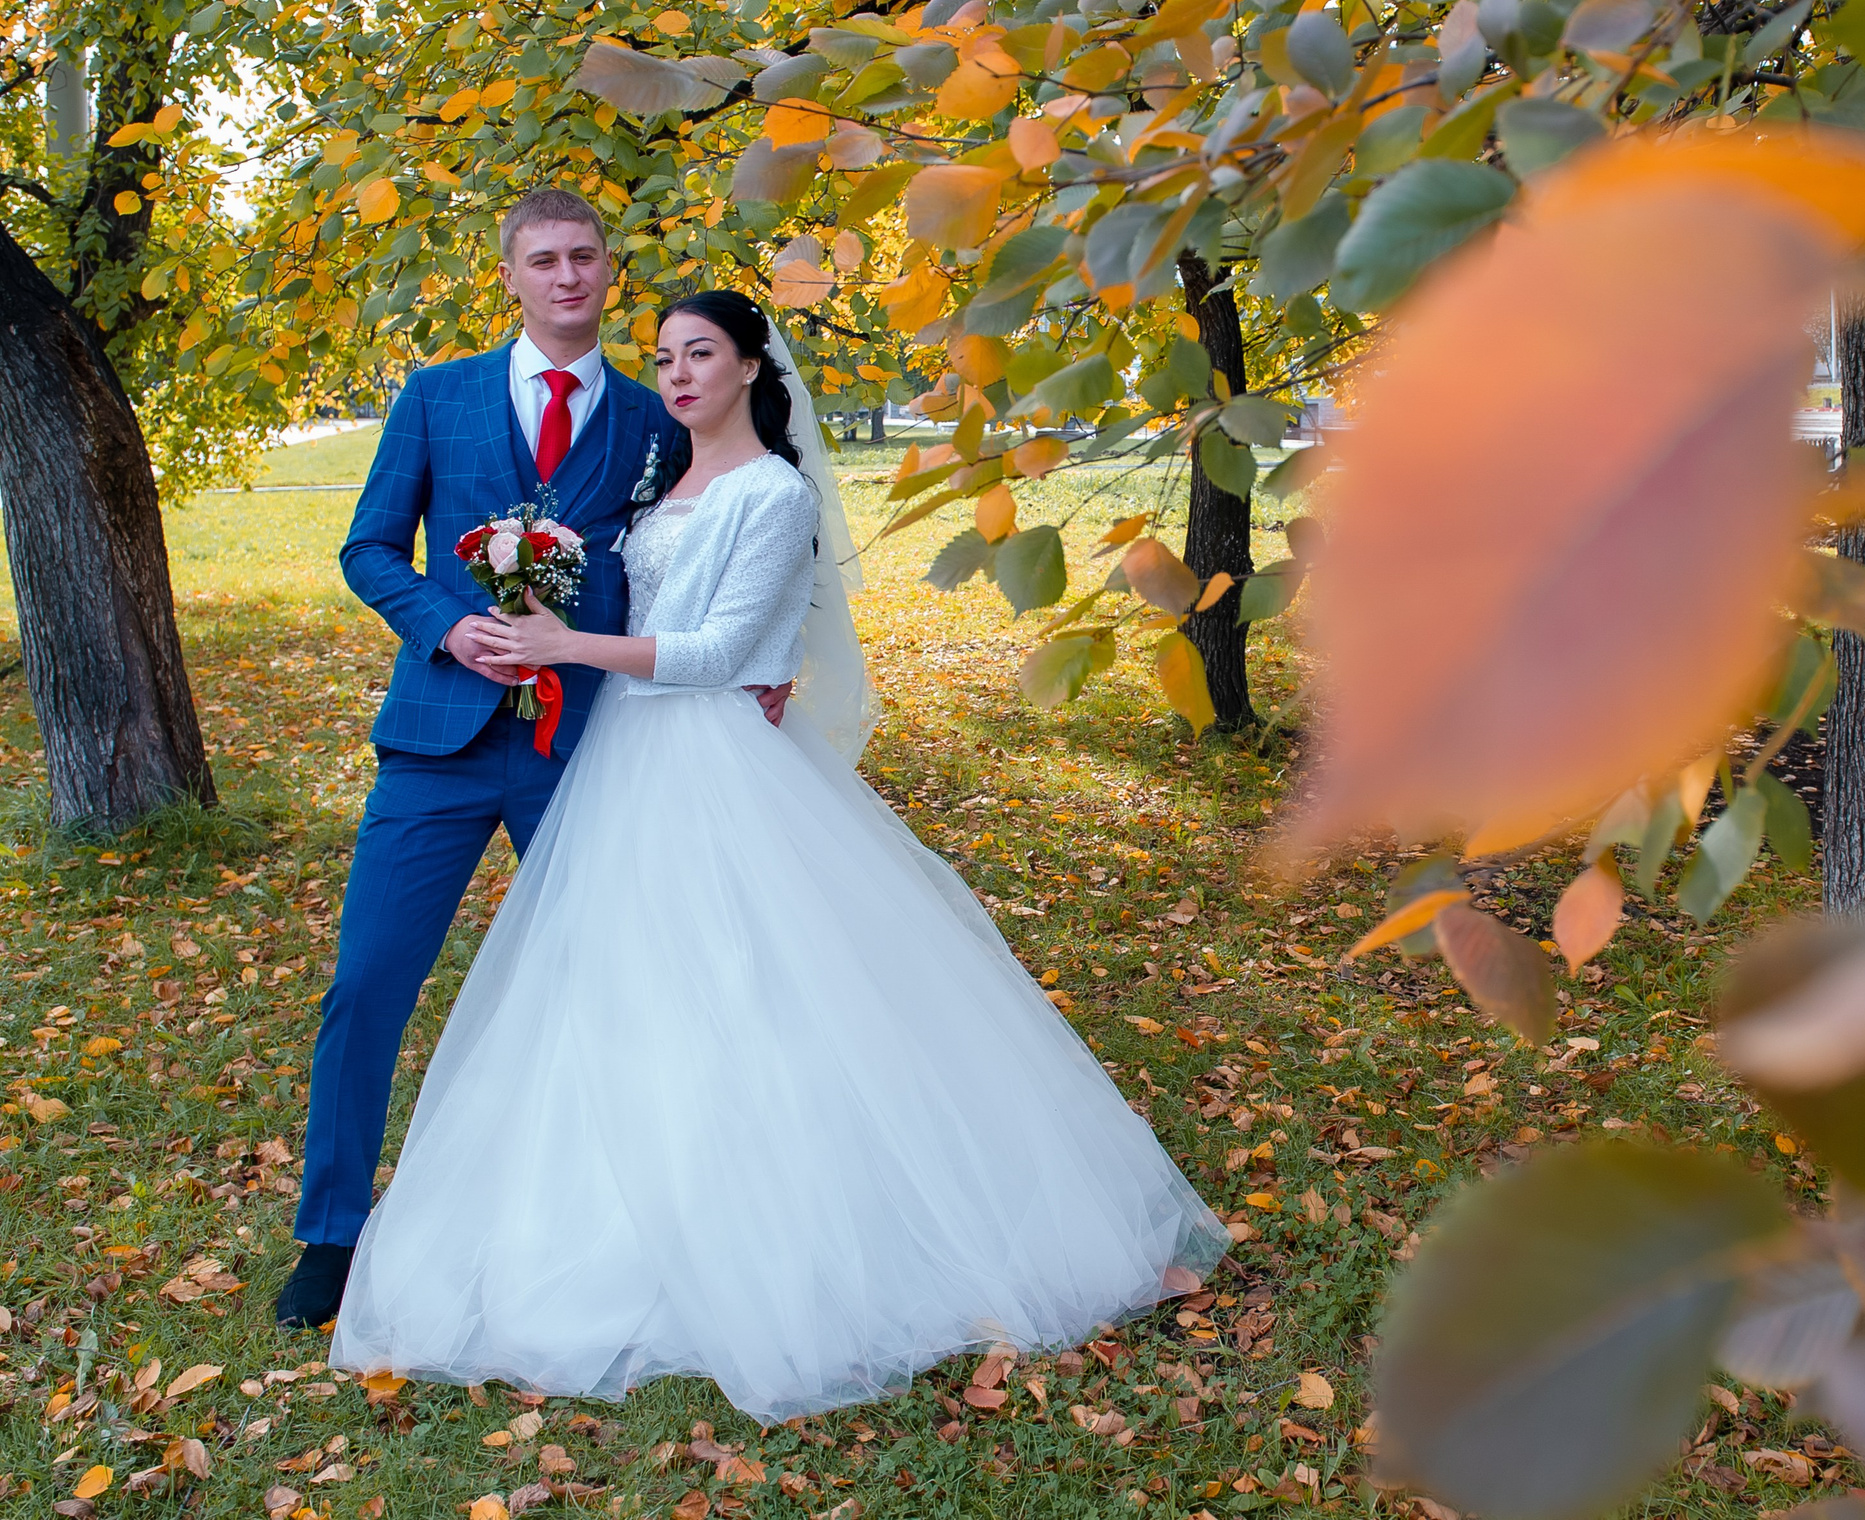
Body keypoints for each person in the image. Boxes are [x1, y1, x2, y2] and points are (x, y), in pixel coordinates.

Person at [325, 291, 1230, 1423]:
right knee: (614, 986)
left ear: (754, 366)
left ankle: (775, 1222)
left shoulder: (775, 492)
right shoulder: (660, 478)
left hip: (709, 760)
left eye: (701, 353)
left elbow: (715, 650)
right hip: (620, 756)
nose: (677, 374)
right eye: (664, 356)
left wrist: (574, 644)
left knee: (746, 981)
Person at [277, 190, 787, 1328]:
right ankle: (331, 1232)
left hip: (593, 748)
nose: (567, 276)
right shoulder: (436, 395)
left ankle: (631, 1220)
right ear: (510, 275)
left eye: (584, 257)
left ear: (608, 271)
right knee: (368, 983)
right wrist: (447, 626)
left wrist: (767, 657)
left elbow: (731, 533)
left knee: (619, 982)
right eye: (544, 259)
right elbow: (369, 548)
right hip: (438, 745)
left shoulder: (657, 417)